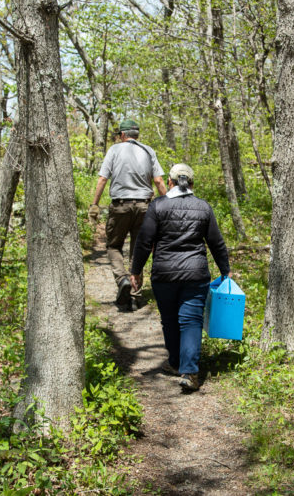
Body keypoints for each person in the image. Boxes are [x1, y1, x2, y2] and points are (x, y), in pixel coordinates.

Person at [130, 163, 230, 392]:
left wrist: (136, 270)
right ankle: (189, 372)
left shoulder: (158, 206)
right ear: (192, 183)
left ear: (171, 182)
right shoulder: (203, 207)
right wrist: (226, 270)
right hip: (196, 275)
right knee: (191, 321)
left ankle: (175, 363)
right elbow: (216, 242)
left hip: (164, 274)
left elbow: (144, 241)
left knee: (169, 319)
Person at [89, 119, 167, 311]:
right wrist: (168, 204)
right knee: (139, 249)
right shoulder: (149, 151)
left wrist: (94, 205)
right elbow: (158, 180)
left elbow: (102, 179)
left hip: (121, 206)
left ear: (122, 135)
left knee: (114, 245)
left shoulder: (115, 150)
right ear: (136, 134)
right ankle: (135, 292)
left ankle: (123, 279)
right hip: (144, 208)